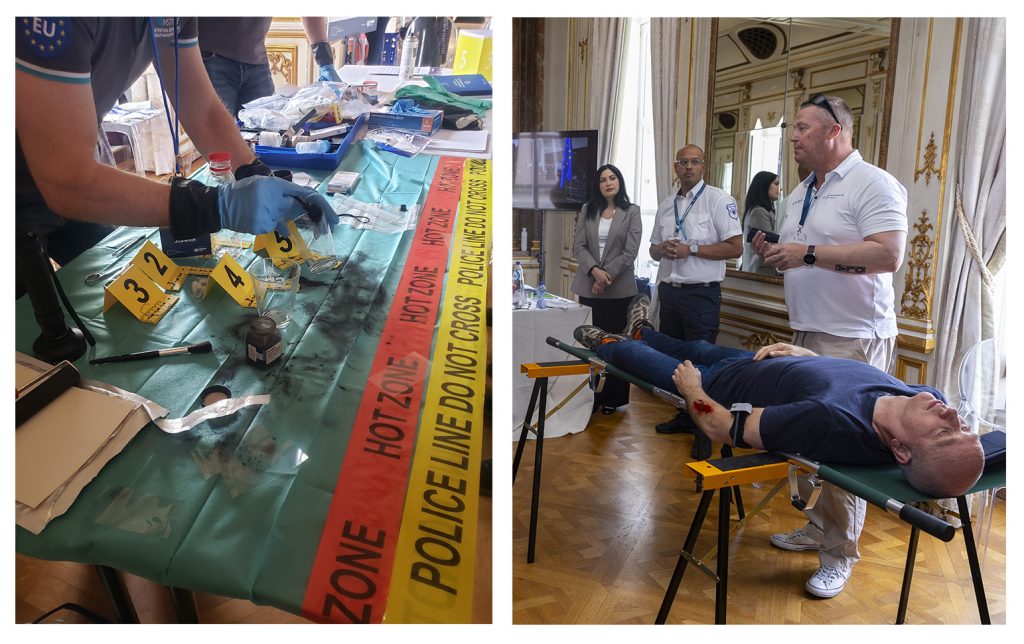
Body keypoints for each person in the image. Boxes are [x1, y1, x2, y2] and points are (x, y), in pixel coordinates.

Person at [15, 17, 338, 281]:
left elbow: (204, 111)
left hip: (80, 141)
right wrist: (213, 207)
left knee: (101, 279)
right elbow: (67, 180)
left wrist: (255, 173)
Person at [750, 94, 909, 598]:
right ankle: (819, 528)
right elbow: (805, 253)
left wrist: (808, 254)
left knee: (843, 448)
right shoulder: (802, 190)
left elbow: (888, 254)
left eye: (802, 127)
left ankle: (840, 555)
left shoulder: (873, 182)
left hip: (854, 335)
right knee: (808, 439)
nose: (793, 136)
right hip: (806, 329)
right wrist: (779, 254)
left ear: (834, 130)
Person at [572, 321, 984, 501]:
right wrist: (806, 355)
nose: (951, 415)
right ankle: (644, 329)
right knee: (691, 345)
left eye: (944, 432)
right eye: (964, 426)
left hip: (719, 386)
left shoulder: (831, 423)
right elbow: (847, 377)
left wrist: (693, 389)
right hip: (761, 361)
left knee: (641, 357)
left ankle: (607, 342)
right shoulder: (926, 395)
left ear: (901, 451)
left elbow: (721, 427)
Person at [649, 144, 742, 434]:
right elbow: (652, 250)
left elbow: (735, 247)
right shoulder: (666, 205)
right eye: (683, 162)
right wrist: (662, 249)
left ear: (703, 166)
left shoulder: (718, 200)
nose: (688, 167)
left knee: (699, 362)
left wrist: (692, 249)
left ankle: (705, 425)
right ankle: (683, 415)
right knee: (675, 362)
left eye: (694, 162)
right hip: (670, 292)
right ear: (675, 167)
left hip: (701, 295)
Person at [571, 164, 643, 414]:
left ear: (619, 182)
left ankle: (613, 398)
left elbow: (630, 252)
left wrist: (604, 277)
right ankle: (588, 397)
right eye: (603, 180)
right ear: (598, 185)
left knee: (617, 345)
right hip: (589, 288)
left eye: (612, 178)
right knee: (590, 344)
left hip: (618, 289)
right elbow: (578, 247)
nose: (608, 183)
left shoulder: (632, 211)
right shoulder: (587, 210)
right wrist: (594, 271)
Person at [199, 17, 340, 119]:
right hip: (212, 58)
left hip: (256, 61)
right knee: (218, 140)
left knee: (266, 134)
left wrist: (325, 63)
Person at [740, 170, 779, 275]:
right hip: (759, 271)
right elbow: (769, 243)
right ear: (764, 185)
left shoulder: (765, 210)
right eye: (776, 184)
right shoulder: (759, 211)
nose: (779, 188)